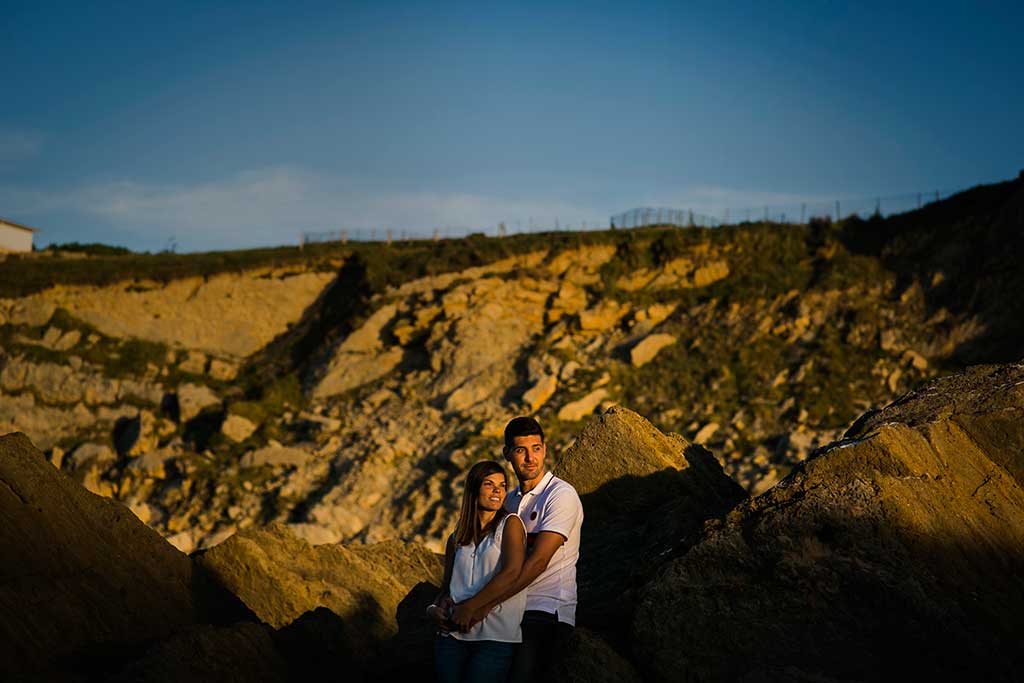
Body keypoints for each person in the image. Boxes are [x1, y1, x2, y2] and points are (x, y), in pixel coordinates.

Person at [453, 417, 584, 683]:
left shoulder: (560, 495)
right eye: (521, 450)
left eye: (536, 448)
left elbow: (538, 562)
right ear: (507, 454)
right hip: (509, 607)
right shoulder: (508, 500)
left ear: (545, 449)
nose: (530, 458)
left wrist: (481, 605)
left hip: (545, 610)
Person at [428, 461, 528, 683]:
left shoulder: (511, 524)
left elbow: (512, 572)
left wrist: (470, 607)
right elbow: (447, 588)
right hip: (452, 637)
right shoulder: (457, 536)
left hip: (494, 638)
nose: (497, 491)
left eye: (502, 485)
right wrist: (433, 609)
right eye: (489, 484)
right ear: (474, 489)